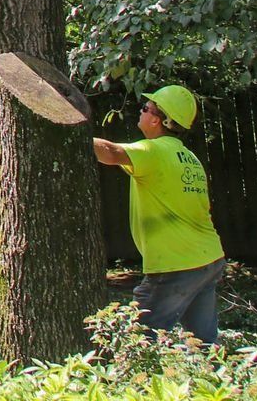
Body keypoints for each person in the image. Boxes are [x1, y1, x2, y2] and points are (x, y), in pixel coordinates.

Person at [93, 84, 227, 344]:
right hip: (208, 258)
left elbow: (111, 153)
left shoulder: (155, 151)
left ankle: (134, 380)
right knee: (203, 342)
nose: (140, 112)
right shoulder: (188, 157)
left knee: (138, 337)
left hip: (176, 264)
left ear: (157, 119)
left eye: (145, 108)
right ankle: (213, 379)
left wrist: (73, 131)